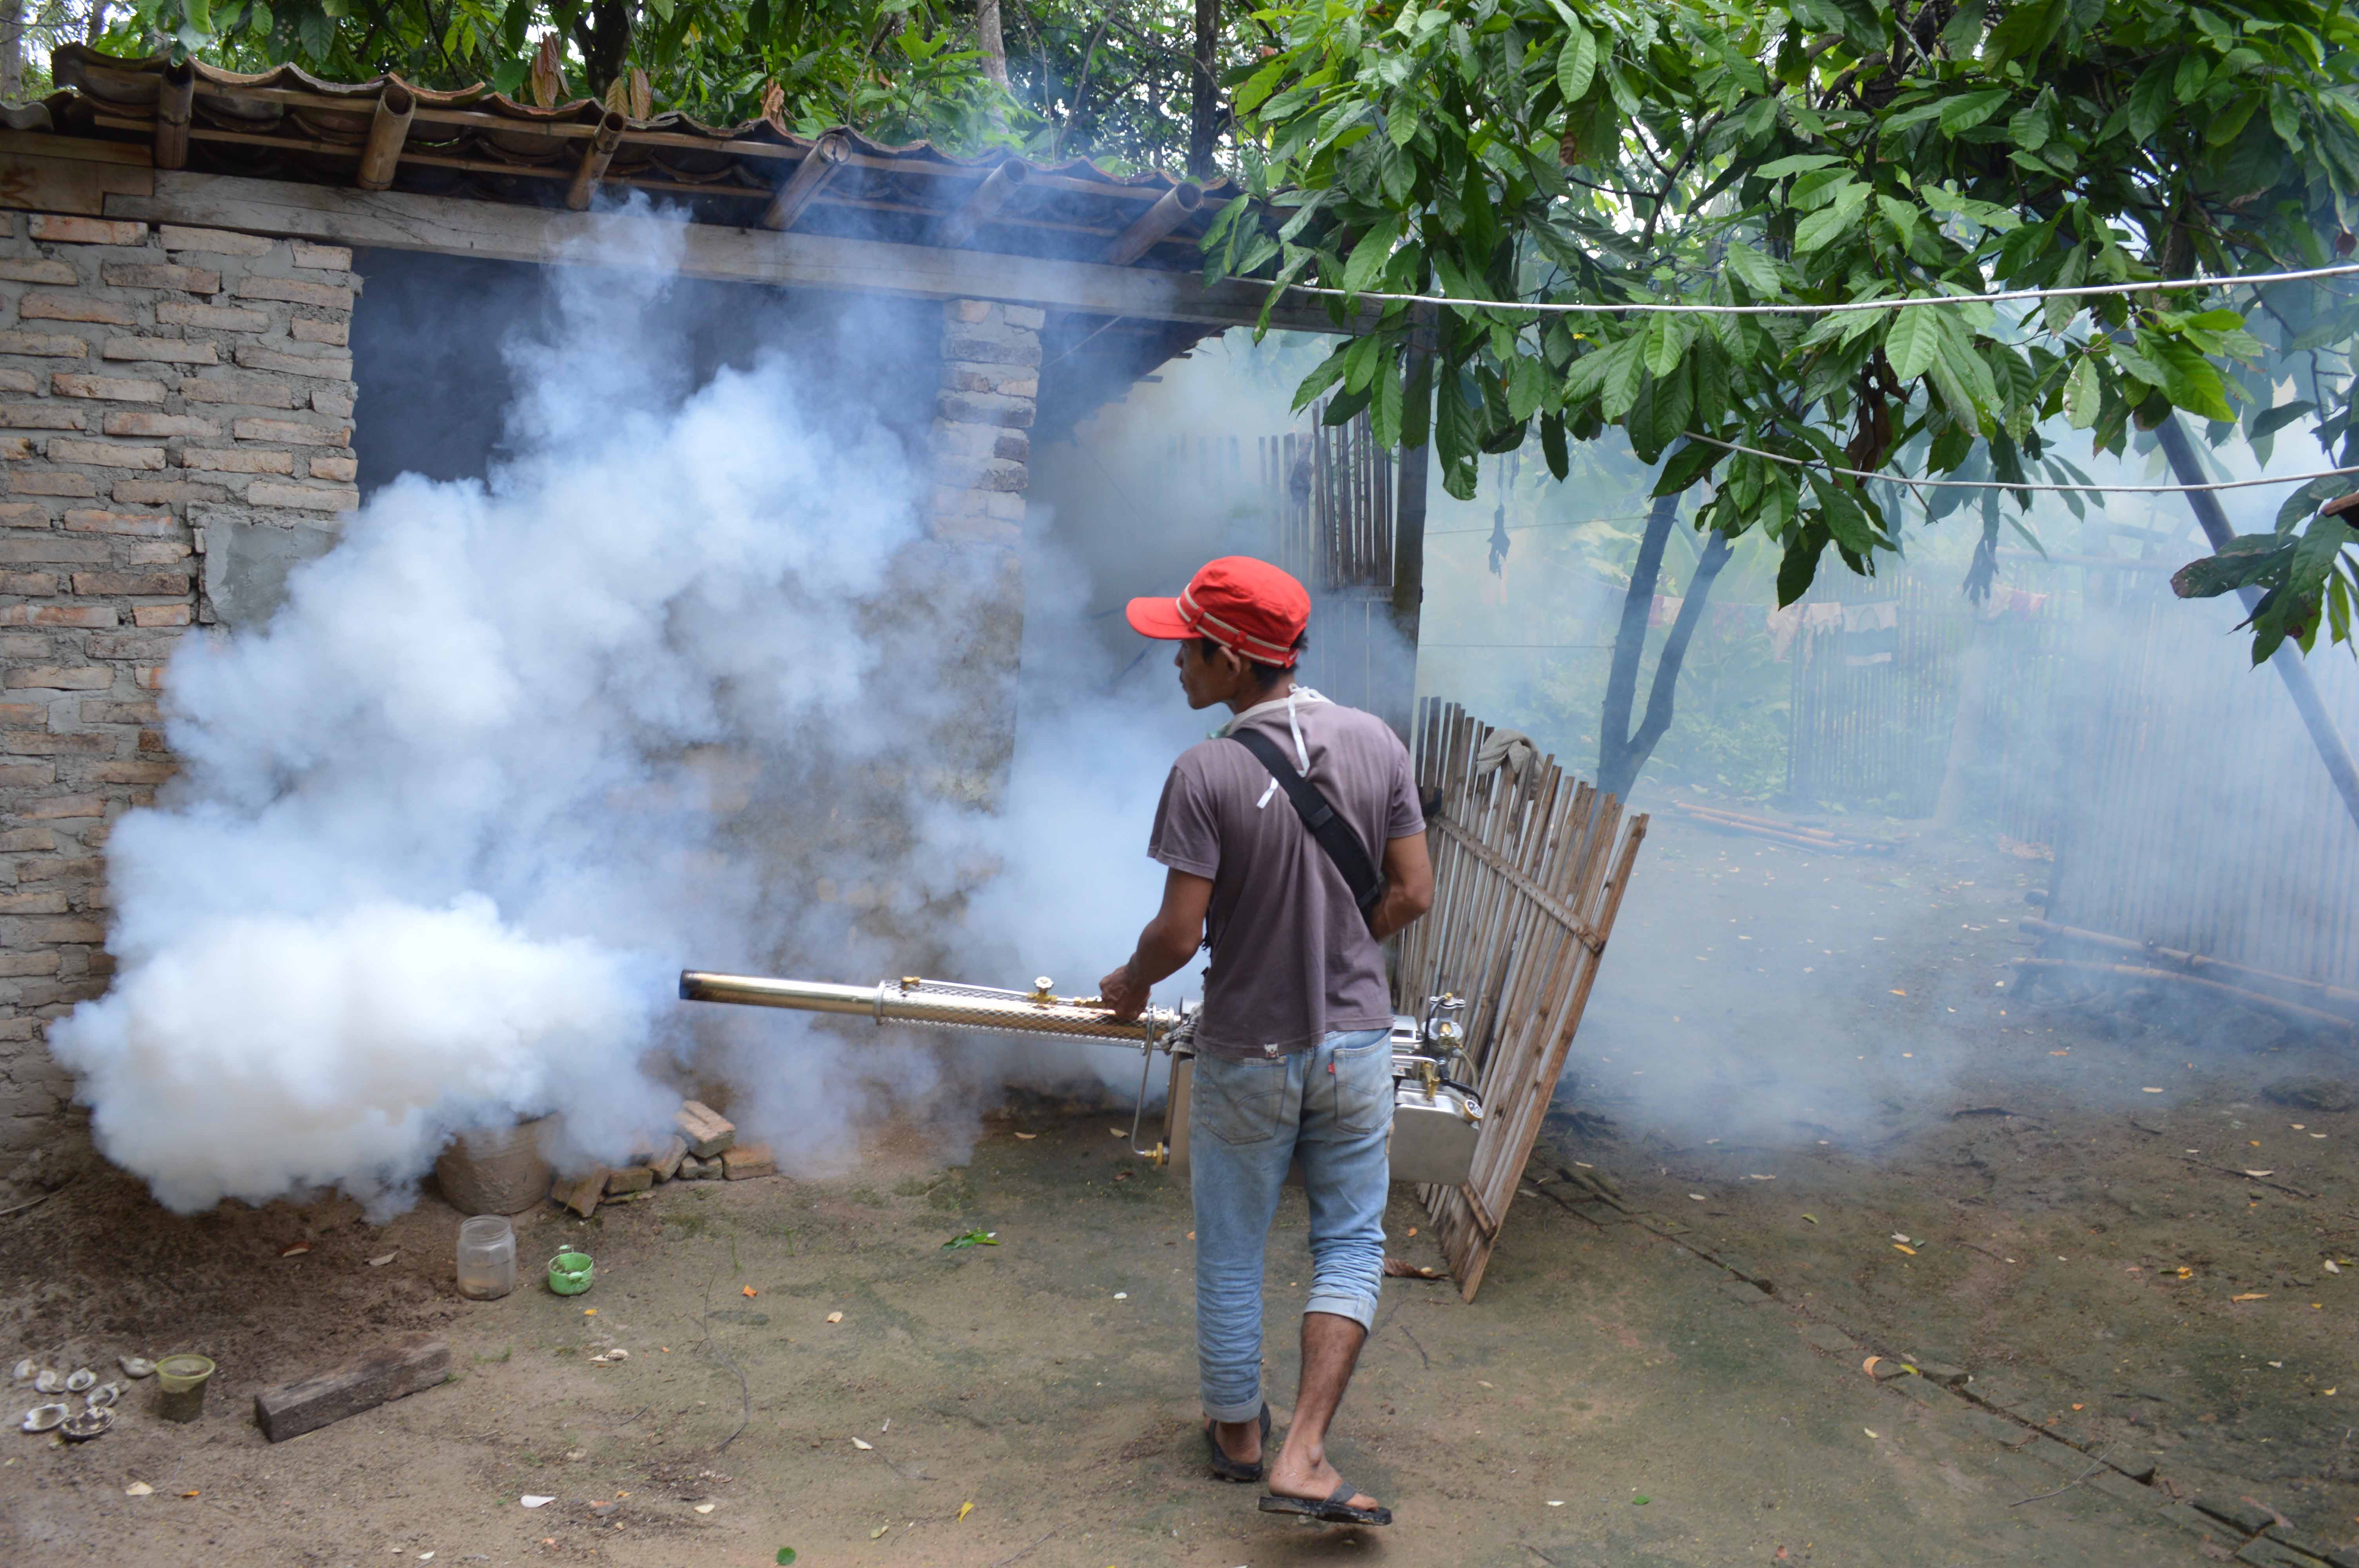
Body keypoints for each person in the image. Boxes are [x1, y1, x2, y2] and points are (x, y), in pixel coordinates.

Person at [1098, 555, 1433, 1528]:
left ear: (1235, 661)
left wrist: (1128, 984)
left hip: (1250, 1049)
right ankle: (1306, 1450)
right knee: (1348, 1242)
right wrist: (1338, 944)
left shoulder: (1203, 772)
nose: (1174, 659)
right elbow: (1412, 891)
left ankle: (1240, 1437)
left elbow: (1174, 932)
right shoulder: (1376, 744)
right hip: (1357, 1049)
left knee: (1234, 1244)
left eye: (1187, 645)